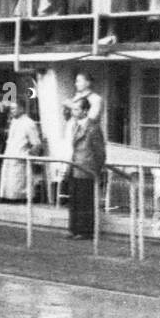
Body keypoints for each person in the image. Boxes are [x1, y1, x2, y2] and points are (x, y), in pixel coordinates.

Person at [65, 97, 105, 239]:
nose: (73, 112)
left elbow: (100, 152)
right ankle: (74, 228)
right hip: (75, 165)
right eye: (73, 109)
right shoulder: (75, 125)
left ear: (85, 111)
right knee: (75, 199)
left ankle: (86, 230)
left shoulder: (93, 128)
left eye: (76, 109)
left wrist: (95, 170)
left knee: (85, 201)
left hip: (87, 168)